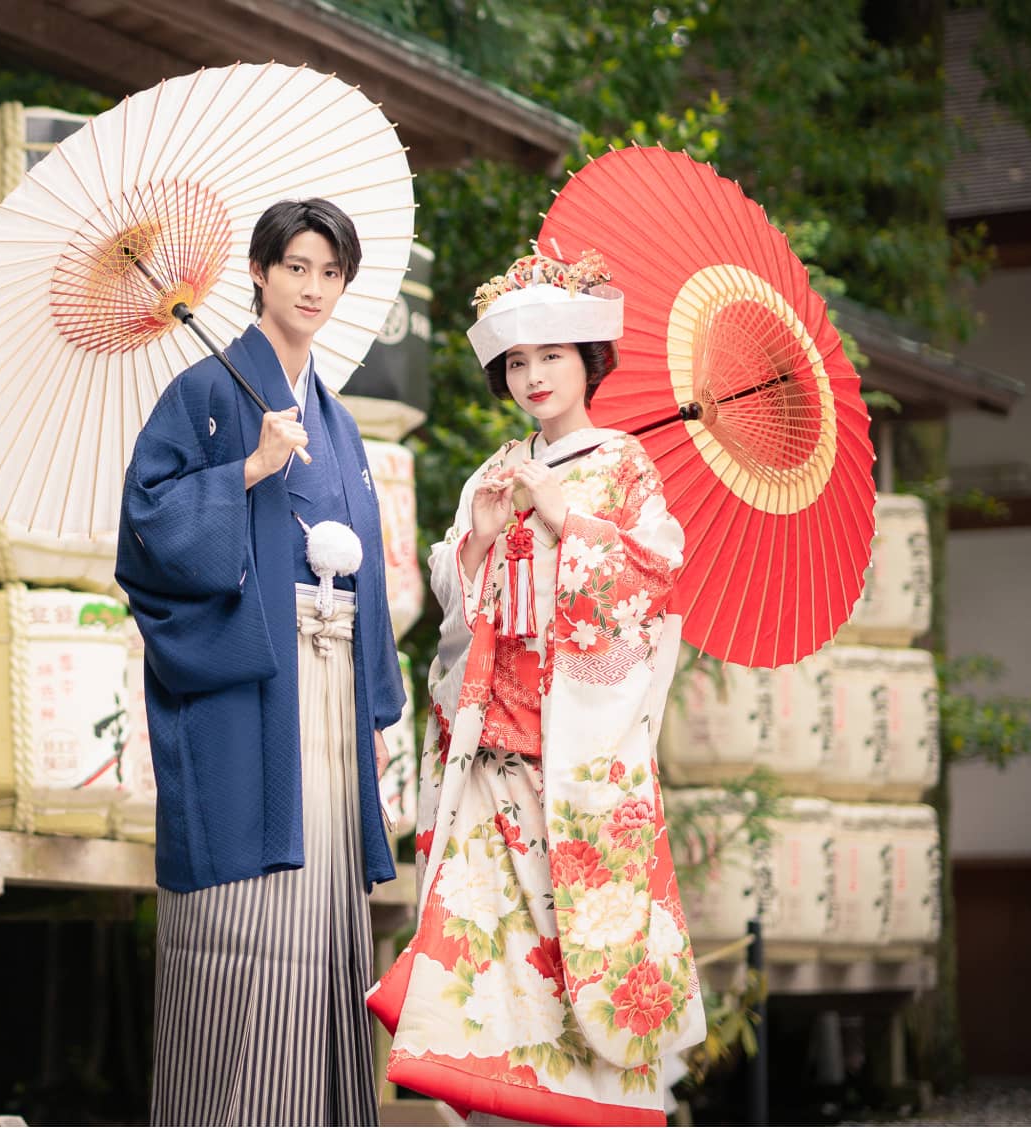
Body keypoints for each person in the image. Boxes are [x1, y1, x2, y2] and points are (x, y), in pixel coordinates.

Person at [366, 252, 706, 1126]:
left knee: (571, 955)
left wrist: (569, 518)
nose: (532, 377)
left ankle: (587, 1111)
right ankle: (495, 1108)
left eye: (551, 357)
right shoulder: (496, 471)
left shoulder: (625, 467)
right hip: (493, 745)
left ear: (587, 362)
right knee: (487, 948)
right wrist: (477, 543)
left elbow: (656, 576)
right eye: (516, 363)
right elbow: (454, 604)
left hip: (576, 755)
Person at [116, 197, 406, 1127]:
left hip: (326, 690)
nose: (313, 287)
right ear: (259, 273)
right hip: (249, 687)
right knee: (244, 916)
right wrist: (243, 472)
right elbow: (147, 530)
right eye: (296, 267)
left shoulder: (339, 420)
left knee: (321, 908)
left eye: (330, 272)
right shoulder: (206, 395)